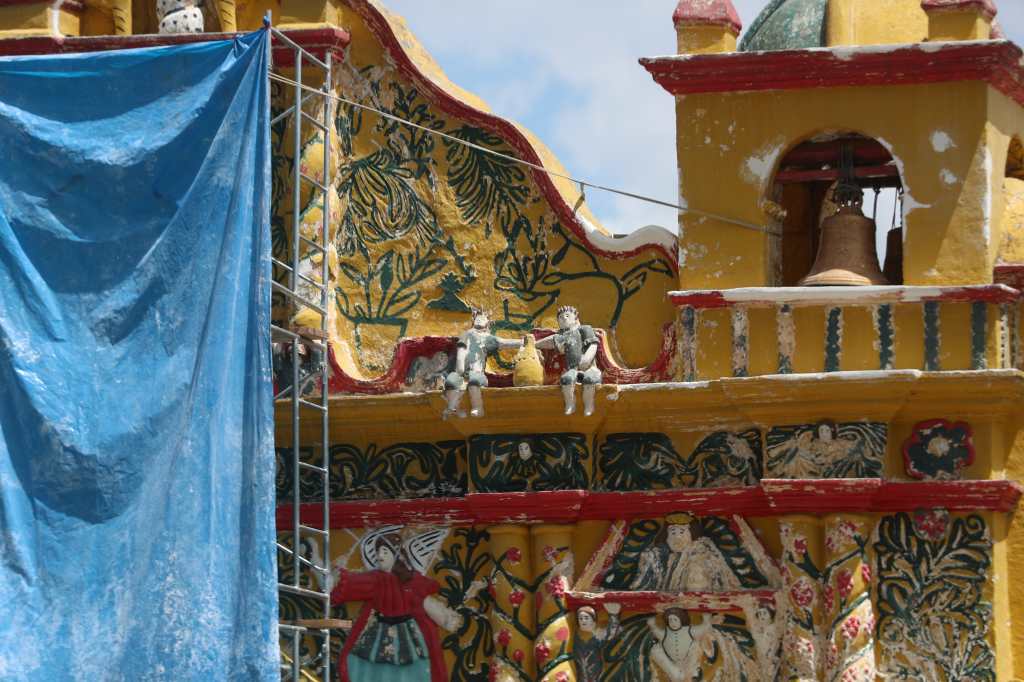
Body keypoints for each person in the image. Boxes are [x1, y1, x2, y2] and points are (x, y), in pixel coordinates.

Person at [330, 535, 476, 681]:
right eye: (378, 552)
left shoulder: (411, 582)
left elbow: (423, 601)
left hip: (407, 634)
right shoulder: (375, 579)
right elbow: (355, 585)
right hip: (378, 634)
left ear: (396, 555)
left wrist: (445, 618)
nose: (380, 555)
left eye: (385, 552)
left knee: (410, 671)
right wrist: (336, 579)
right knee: (373, 669)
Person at [443, 308, 523, 418]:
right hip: (461, 373)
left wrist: (523, 342)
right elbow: (461, 352)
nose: (480, 319)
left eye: (483, 317)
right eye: (477, 317)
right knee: (451, 381)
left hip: (476, 373)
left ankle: (477, 407)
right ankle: (453, 407)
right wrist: (459, 368)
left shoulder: (486, 338)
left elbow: (504, 343)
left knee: (474, 381)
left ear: (487, 323)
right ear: (473, 320)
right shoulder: (466, 335)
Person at [630, 512, 739, 592]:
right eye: (672, 532)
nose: (677, 537)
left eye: (682, 532)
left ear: (693, 535)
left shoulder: (702, 556)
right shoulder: (664, 557)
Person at [535, 305, 602, 416]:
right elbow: (550, 342)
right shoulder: (563, 336)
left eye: (567, 315)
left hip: (590, 367)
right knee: (566, 379)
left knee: (590, 379)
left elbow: (593, 345)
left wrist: (587, 358)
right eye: (561, 317)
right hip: (573, 368)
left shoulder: (584, 329)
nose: (564, 318)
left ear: (576, 318)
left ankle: (589, 404)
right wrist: (533, 344)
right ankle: (570, 403)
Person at [647, 609, 715, 682]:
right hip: (674, 664)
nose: (672, 622)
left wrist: (706, 619)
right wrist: (652, 624)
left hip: (687, 661)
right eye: (670, 620)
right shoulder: (665, 634)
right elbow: (655, 630)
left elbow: (704, 628)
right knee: (655, 651)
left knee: (696, 645)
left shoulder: (689, 631)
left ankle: (685, 673)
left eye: (675, 619)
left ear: (681, 620)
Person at [573, 603, 621, 681]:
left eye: (586, 618)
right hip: (580, 669)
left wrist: (613, 615)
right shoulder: (576, 633)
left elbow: (611, 634)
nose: (583, 620)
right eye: (580, 618)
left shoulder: (597, 633)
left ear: (593, 620)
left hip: (594, 668)